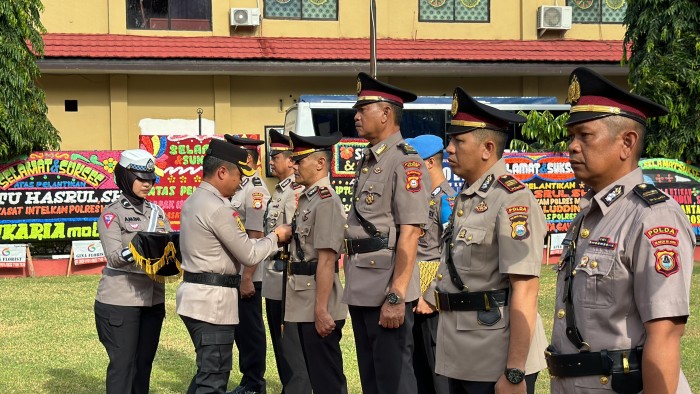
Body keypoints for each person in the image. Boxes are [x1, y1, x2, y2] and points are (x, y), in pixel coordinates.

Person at [546, 67, 694, 393]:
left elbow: (665, 335)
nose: (572, 146)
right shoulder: (589, 216)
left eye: (585, 136)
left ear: (626, 143)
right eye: (571, 136)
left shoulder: (653, 217)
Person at [426, 87, 548, 394]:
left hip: (496, 357)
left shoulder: (511, 199)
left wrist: (515, 372)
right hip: (462, 349)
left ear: (487, 148)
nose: (449, 149)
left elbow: (526, 288)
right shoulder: (469, 197)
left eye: (458, 141)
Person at [176, 138, 292, 394]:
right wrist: (277, 236)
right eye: (238, 175)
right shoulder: (218, 209)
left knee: (207, 372)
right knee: (213, 378)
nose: (241, 182)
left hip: (199, 298)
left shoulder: (195, 199)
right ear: (221, 172)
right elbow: (250, 254)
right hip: (212, 304)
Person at [343, 72, 430, 394]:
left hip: (385, 288)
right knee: (372, 376)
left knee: (394, 379)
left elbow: (410, 232)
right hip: (363, 283)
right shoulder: (369, 160)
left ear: (385, 113)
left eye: (363, 109)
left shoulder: (405, 163)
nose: (356, 116)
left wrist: (396, 296)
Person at [95, 149, 170, 394]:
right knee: (123, 366)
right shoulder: (111, 214)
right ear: (126, 177)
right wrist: (139, 246)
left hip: (153, 300)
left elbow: (168, 249)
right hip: (121, 301)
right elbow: (115, 258)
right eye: (141, 178)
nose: (147, 184)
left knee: (143, 366)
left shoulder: (157, 213)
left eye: (150, 179)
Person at [283, 131, 348, 393]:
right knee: (312, 374)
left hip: (317, 300)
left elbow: (326, 260)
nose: (293, 166)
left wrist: (321, 310)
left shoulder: (326, 201)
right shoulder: (308, 199)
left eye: (299, 161)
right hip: (303, 296)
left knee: (327, 380)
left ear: (320, 163)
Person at [261, 129, 312, 394]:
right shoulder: (279, 190)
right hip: (273, 277)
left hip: (288, 279)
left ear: (291, 160)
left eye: (276, 156)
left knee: (291, 345)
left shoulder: (296, 191)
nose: (272, 161)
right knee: (280, 344)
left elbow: (299, 237)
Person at [404, 135, 454, 394]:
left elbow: (449, 252)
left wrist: (429, 295)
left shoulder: (446, 199)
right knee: (418, 363)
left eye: (415, 164)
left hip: (431, 286)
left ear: (431, 163)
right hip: (415, 283)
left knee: (435, 364)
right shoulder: (422, 197)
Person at [224, 135, 271, 394]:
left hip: (248, 274)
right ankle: (248, 380)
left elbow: (256, 235)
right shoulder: (240, 186)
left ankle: (255, 383)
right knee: (241, 330)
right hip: (239, 272)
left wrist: (247, 278)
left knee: (250, 330)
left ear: (248, 159)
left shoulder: (254, 190)